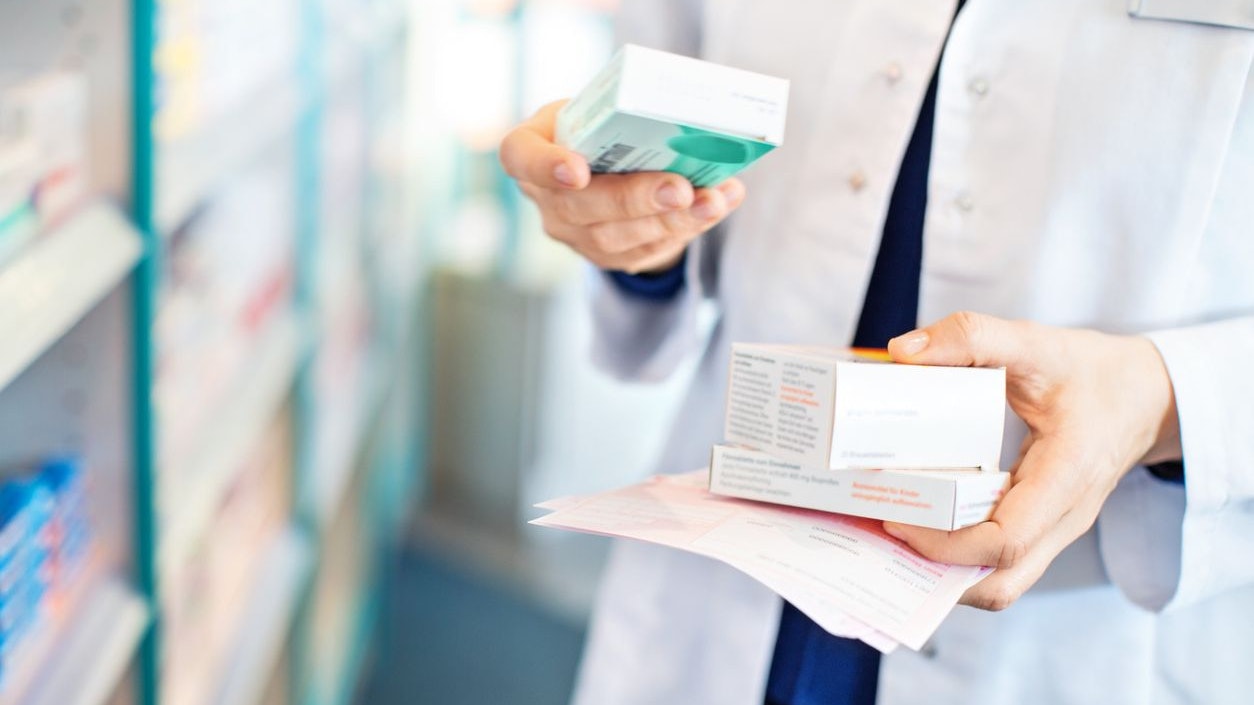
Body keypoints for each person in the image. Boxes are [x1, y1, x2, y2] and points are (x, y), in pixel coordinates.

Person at [499, 1, 1254, 703]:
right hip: (726, 581)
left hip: (1076, 631)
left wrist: (1160, 400)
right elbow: (665, 139)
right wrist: (627, 232)